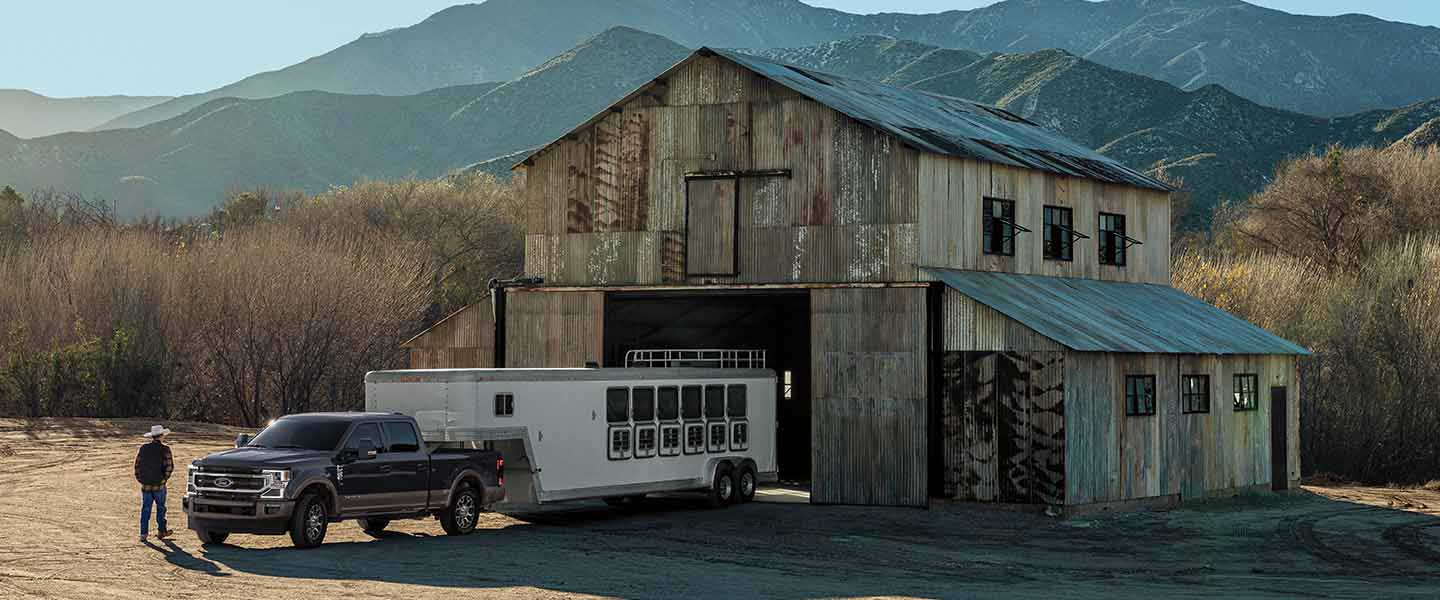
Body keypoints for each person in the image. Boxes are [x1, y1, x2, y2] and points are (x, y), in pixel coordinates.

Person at [134, 424, 175, 542]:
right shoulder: (165, 449)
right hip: (159, 485)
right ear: (161, 435)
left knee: (145, 508)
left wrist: (141, 480)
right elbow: (169, 467)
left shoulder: (143, 448)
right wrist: (163, 480)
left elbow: (137, 466)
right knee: (161, 508)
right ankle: (161, 531)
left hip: (146, 484)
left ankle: (143, 534)